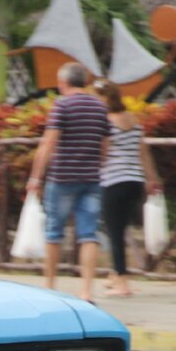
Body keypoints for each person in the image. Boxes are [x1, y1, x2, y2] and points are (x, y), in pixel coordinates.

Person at [27, 62, 110, 303]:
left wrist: (35, 177)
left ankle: (50, 287)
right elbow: (106, 145)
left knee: (54, 232)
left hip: (62, 177)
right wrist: (98, 165)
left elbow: (48, 143)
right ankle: (86, 290)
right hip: (92, 178)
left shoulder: (62, 105)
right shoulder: (99, 106)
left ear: (63, 82)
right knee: (88, 234)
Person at [94, 78, 162, 297]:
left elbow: (102, 154)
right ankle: (115, 274)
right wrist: (152, 179)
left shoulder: (105, 121)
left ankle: (122, 283)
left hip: (113, 180)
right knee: (120, 228)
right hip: (134, 181)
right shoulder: (133, 119)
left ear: (104, 98)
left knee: (114, 232)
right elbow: (144, 152)